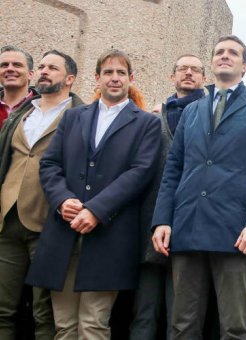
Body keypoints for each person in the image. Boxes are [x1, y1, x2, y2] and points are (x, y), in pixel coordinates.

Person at [151, 35, 246, 340]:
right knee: (182, 325)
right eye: (219, 52)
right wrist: (162, 220)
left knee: (234, 326)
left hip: (237, 233)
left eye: (233, 53)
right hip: (188, 225)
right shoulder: (193, 110)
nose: (225, 56)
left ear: (245, 65)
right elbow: (173, 169)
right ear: (212, 63)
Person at [24, 49, 161, 340]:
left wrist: (96, 209)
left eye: (120, 73)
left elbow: (140, 173)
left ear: (131, 79)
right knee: (64, 326)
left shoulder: (146, 123)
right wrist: (62, 200)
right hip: (64, 232)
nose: (114, 78)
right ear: (97, 78)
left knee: (93, 324)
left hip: (109, 236)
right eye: (108, 72)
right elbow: (49, 164)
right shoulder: (73, 117)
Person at [0, 49, 84, 340]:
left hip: (50, 223)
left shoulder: (80, 116)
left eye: (53, 68)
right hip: (8, 221)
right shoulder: (23, 113)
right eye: (43, 67)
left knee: (44, 311)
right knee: (3, 309)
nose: (44, 71)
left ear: (70, 78)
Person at [129, 54, 208, 340]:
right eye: (182, 68)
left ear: (204, 78)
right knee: (144, 312)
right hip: (151, 221)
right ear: (171, 76)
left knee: (183, 315)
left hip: (191, 224)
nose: (188, 73)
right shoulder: (152, 117)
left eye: (195, 70)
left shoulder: (212, 115)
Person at [0, 46, 36, 127]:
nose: (9, 69)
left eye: (17, 65)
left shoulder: (42, 107)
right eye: (4, 65)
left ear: (30, 74)